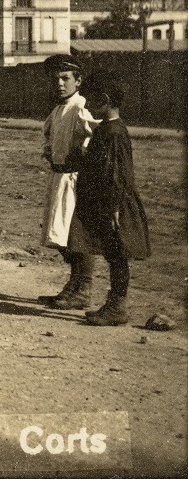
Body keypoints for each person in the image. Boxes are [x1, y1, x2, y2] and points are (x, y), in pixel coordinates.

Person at [67, 71, 150, 326]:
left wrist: (114, 206)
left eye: (91, 100)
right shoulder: (105, 129)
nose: (88, 105)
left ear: (104, 99)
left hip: (115, 204)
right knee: (112, 253)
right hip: (105, 202)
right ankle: (114, 304)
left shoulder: (115, 132)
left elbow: (119, 171)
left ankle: (117, 307)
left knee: (117, 254)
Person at [37, 52, 99, 309]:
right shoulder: (58, 109)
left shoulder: (81, 106)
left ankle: (83, 288)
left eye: (65, 78)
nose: (59, 84)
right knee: (60, 235)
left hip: (77, 180)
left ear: (78, 80)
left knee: (76, 235)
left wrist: (83, 154)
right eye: (55, 79)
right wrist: (49, 150)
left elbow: (96, 137)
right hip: (59, 177)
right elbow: (49, 137)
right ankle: (73, 285)